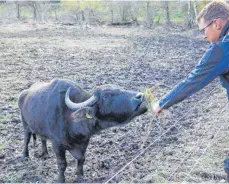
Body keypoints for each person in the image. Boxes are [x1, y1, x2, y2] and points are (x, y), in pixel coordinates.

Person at [151, 0, 229, 179]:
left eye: (204, 30)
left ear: (216, 24)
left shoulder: (222, 48)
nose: (203, 35)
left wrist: (162, 103)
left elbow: (192, 81)